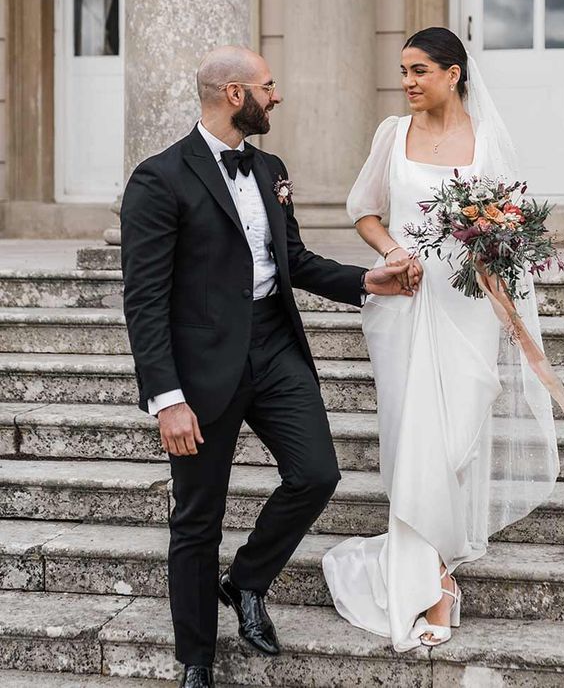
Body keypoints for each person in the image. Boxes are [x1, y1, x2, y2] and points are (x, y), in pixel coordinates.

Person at [120, 45, 416, 688]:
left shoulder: (272, 167)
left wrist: (369, 279)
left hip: (276, 345)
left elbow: (296, 261)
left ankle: (247, 580)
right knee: (197, 519)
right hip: (200, 368)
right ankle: (196, 661)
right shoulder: (158, 179)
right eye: (268, 86)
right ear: (234, 94)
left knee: (316, 474)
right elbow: (143, 299)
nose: (277, 96)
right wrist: (166, 397)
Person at [322, 27, 560, 651]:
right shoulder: (390, 135)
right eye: (404, 70)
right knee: (411, 437)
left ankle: (435, 562)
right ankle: (430, 583)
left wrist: (515, 321)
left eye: (419, 70)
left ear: (453, 73)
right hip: (403, 306)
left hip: (468, 311)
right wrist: (395, 251)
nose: (407, 81)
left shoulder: (487, 142)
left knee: (454, 436)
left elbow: (507, 241)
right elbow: (364, 210)